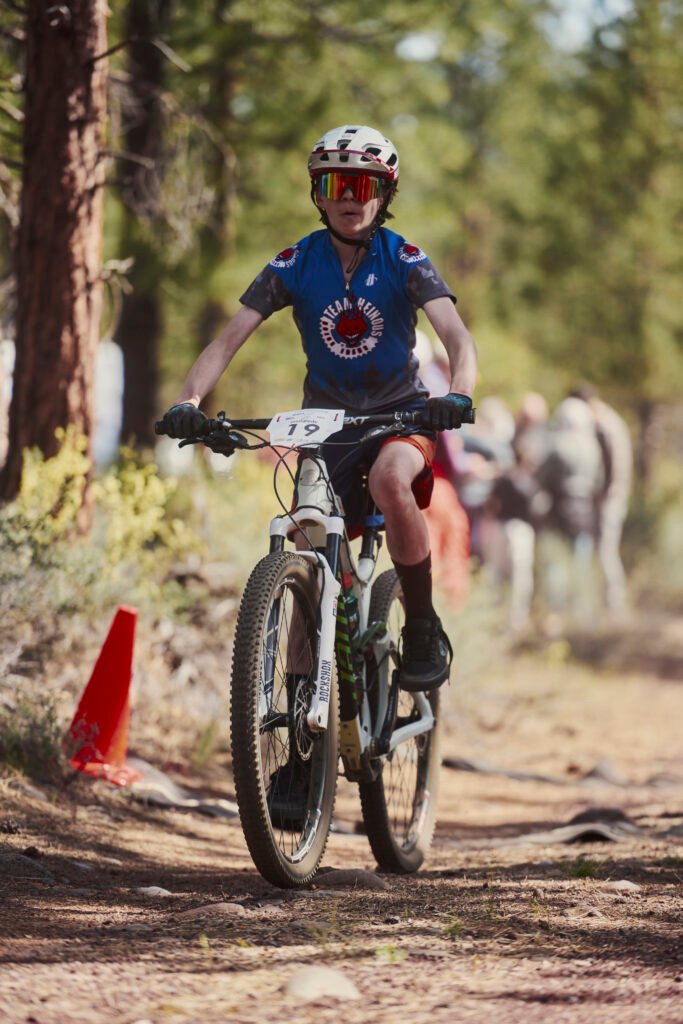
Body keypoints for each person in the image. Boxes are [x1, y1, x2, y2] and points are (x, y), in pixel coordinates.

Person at [159, 125, 478, 691]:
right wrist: (189, 401)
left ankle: (422, 627)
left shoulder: (403, 257)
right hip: (327, 424)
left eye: (363, 185)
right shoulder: (295, 262)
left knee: (390, 479)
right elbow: (227, 341)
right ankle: (304, 700)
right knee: (307, 544)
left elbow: (456, 335)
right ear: (318, 194)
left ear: (385, 193)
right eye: (335, 184)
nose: (349, 196)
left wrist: (458, 393)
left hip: (400, 416)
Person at [570, 384, 632, 616]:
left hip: (610, 499)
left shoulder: (605, 425)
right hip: (612, 497)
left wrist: (604, 495)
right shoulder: (610, 421)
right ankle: (607, 605)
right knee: (604, 550)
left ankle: (614, 605)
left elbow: (613, 467)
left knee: (606, 551)